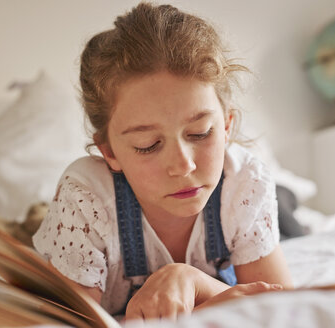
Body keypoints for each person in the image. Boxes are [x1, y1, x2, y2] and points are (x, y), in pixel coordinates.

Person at [33, 2, 293, 321]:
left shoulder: (244, 182)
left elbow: (282, 312)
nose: (183, 166)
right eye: (148, 145)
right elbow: (70, 323)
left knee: (289, 213)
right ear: (109, 152)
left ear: (226, 127)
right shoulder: (87, 197)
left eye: (200, 133)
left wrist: (191, 279)